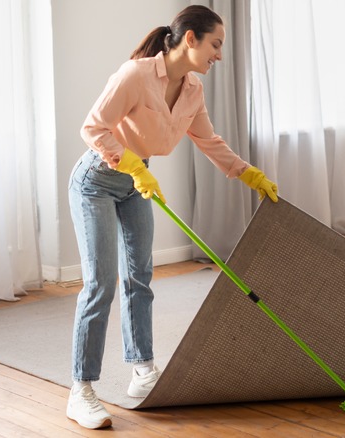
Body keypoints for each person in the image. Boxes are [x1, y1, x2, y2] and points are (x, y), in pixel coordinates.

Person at [65, 5, 278, 430]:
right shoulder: (135, 76)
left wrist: (247, 173)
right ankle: (81, 389)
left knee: (139, 279)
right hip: (97, 181)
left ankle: (142, 370)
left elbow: (207, 139)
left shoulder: (193, 90)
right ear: (190, 39)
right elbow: (93, 128)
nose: (219, 53)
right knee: (101, 284)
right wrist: (133, 164)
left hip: (135, 184)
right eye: (215, 44)